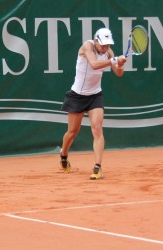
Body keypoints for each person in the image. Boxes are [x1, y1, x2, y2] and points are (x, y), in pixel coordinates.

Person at [60, 27, 127, 180]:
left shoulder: (108, 53)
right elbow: (94, 64)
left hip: (95, 95)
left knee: (97, 129)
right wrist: (113, 60)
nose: (106, 48)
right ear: (96, 41)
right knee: (72, 133)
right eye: (103, 45)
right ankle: (63, 154)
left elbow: (118, 73)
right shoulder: (87, 47)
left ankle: (98, 168)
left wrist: (120, 64)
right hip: (77, 95)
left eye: (108, 45)